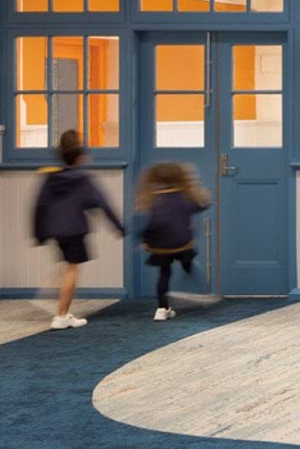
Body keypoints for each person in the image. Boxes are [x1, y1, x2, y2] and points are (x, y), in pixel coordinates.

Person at [31, 130, 124, 330]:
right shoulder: (82, 178)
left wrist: (39, 234)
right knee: (72, 270)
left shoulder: (50, 177)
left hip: (56, 229)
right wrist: (119, 227)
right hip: (74, 229)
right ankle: (61, 315)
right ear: (80, 155)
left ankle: (51, 297)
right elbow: (102, 203)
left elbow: (39, 205)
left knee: (67, 266)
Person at [135, 163, 211, 321]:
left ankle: (162, 309)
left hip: (162, 246)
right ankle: (205, 292)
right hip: (182, 242)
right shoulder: (184, 196)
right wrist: (196, 186)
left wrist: (144, 239)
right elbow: (201, 205)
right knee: (188, 265)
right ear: (179, 178)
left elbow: (151, 224)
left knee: (164, 273)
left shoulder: (155, 199)